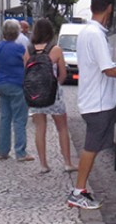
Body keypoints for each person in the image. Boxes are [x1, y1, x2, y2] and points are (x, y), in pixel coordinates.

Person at [68, 0, 116, 209]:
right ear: (110, 8)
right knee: (90, 148)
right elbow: (109, 70)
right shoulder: (95, 34)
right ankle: (78, 191)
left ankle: (80, 190)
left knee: (92, 147)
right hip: (99, 102)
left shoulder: (87, 32)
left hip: (93, 99)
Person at [25, 18, 77, 174]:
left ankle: (43, 164)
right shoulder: (56, 50)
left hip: (35, 95)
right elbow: (62, 74)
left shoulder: (28, 50)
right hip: (54, 95)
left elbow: (26, 73)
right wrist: (55, 85)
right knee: (62, 128)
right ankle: (67, 163)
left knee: (40, 128)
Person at [0, 19, 34, 162]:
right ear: (17, 32)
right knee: (19, 119)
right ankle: (21, 152)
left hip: (1, 84)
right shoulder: (20, 49)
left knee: (5, 117)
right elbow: (28, 65)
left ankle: (2, 151)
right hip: (17, 84)